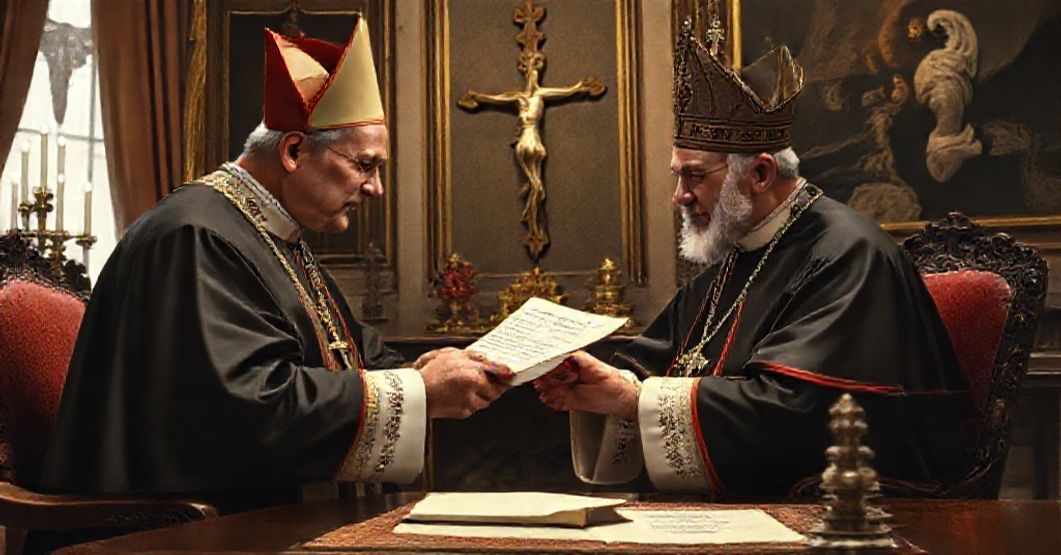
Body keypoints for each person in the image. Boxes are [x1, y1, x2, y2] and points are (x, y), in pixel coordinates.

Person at [40, 17, 511, 512]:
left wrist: (428, 370)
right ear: (293, 151)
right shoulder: (195, 237)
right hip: (177, 534)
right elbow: (249, 411)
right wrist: (418, 391)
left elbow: (355, 358)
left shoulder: (276, 237)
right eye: (365, 165)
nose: (375, 189)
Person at [536, 18, 976, 497]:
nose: (679, 196)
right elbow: (661, 364)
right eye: (676, 176)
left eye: (695, 177)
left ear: (761, 174)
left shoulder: (850, 255)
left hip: (851, 516)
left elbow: (803, 418)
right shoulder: (734, 259)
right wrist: (609, 385)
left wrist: (635, 400)